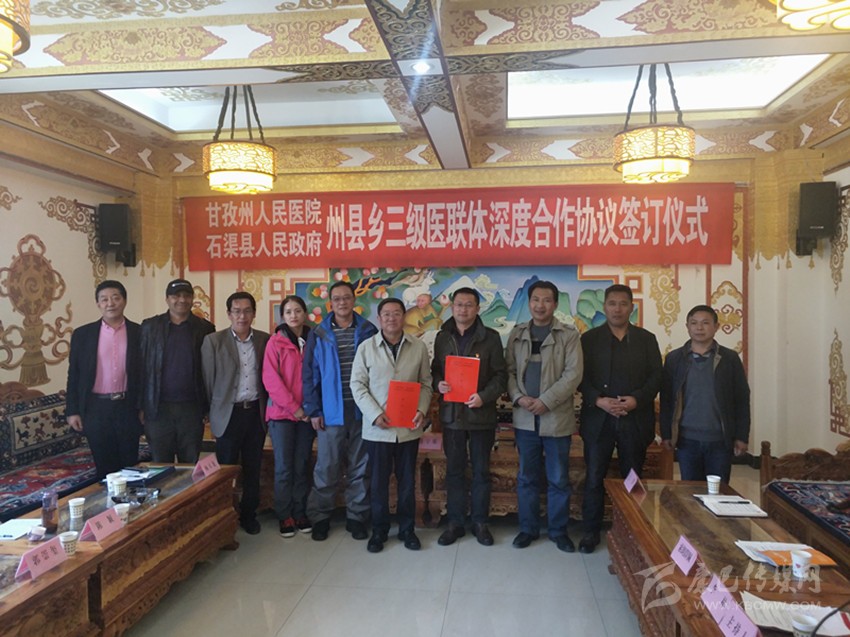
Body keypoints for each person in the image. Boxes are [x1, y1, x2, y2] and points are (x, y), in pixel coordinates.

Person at [578, 284, 662, 554]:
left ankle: (632, 532)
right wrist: (598, 400)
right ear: (604, 307)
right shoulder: (589, 340)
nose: (617, 309)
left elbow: (656, 377)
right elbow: (579, 377)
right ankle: (590, 531)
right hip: (598, 419)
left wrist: (637, 399)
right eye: (612, 303)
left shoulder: (646, 339)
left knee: (633, 478)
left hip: (634, 418)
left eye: (623, 304)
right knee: (594, 477)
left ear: (631, 308)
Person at [351, 297, 433, 553]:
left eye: (396, 313)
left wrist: (421, 410)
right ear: (379, 318)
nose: (391, 318)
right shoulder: (366, 347)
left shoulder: (418, 347)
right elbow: (357, 385)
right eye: (386, 314)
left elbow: (426, 384)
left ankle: (407, 530)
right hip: (378, 429)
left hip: (408, 429)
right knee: (378, 483)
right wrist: (375, 414)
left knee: (407, 482)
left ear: (403, 316)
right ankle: (379, 530)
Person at [505, 280, 583, 553]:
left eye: (547, 300)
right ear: (529, 303)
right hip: (525, 418)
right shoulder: (517, 334)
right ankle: (527, 529)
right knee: (526, 477)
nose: (540, 305)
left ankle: (558, 531)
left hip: (556, 419)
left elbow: (573, 374)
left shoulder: (568, 335)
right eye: (535, 300)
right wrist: (519, 397)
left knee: (558, 478)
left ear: (555, 304)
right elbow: (509, 371)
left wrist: (546, 401)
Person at [303, 281, 378, 541]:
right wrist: (313, 410)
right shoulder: (319, 333)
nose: (342, 303)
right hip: (330, 411)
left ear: (354, 300)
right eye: (337, 299)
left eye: (347, 298)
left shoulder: (368, 331)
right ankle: (320, 517)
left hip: (362, 410)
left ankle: (356, 517)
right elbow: (309, 375)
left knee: (360, 466)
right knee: (327, 467)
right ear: (331, 303)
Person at [432, 287, 507, 546]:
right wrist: (439, 383)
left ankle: (480, 522)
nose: (463, 309)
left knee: (481, 472)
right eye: (459, 304)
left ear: (477, 308)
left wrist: (484, 396)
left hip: (480, 415)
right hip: (452, 416)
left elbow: (500, 376)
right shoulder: (442, 337)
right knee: (454, 471)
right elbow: (435, 371)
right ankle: (455, 522)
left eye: (468, 305)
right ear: (452, 307)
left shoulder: (491, 338)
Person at [201, 291, 270, 535]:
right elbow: (208, 381)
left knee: (253, 468)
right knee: (226, 469)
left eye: (247, 311)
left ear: (254, 313)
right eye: (237, 311)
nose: (242, 316)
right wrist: (212, 412)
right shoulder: (213, 341)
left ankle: (248, 515)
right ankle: (224, 515)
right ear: (229, 314)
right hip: (228, 415)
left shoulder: (264, 340)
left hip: (255, 414)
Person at [661, 304, 750, 484]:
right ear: (687, 327)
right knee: (689, 491)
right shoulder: (674, 359)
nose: (699, 328)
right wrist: (666, 434)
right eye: (694, 323)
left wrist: (742, 436)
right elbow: (667, 399)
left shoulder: (729, 359)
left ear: (716, 327)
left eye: (705, 323)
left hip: (720, 440)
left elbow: (741, 399)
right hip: (687, 440)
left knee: (718, 491)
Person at [66, 280, 142, 479]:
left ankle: (131, 500)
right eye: (104, 299)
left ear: (124, 301)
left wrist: (143, 407)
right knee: (105, 467)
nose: (110, 303)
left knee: (130, 466)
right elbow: (74, 374)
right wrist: (72, 410)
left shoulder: (139, 332)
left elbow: (145, 373)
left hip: (128, 407)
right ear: (98, 304)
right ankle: (106, 500)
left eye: (116, 298)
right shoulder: (83, 335)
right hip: (96, 409)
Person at [140, 278, 215, 463]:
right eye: (176, 296)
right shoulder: (150, 327)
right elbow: (140, 367)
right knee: (160, 464)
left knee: (189, 463)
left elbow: (211, 371)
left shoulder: (205, 328)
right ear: (167, 299)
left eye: (187, 295)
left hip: (191, 408)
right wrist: (140, 406)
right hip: (158, 408)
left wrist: (208, 407)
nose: (182, 300)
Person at [263, 295, 314, 538]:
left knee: (302, 465)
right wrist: (295, 409)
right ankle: (285, 515)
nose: (293, 315)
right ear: (282, 317)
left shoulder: (314, 340)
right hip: (282, 415)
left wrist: (310, 409)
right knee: (284, 467)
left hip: (307, 416)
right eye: (288, 312)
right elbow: (271, 381)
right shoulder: (275, 343)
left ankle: (300, 511)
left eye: (297, 310)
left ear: (305, 313)